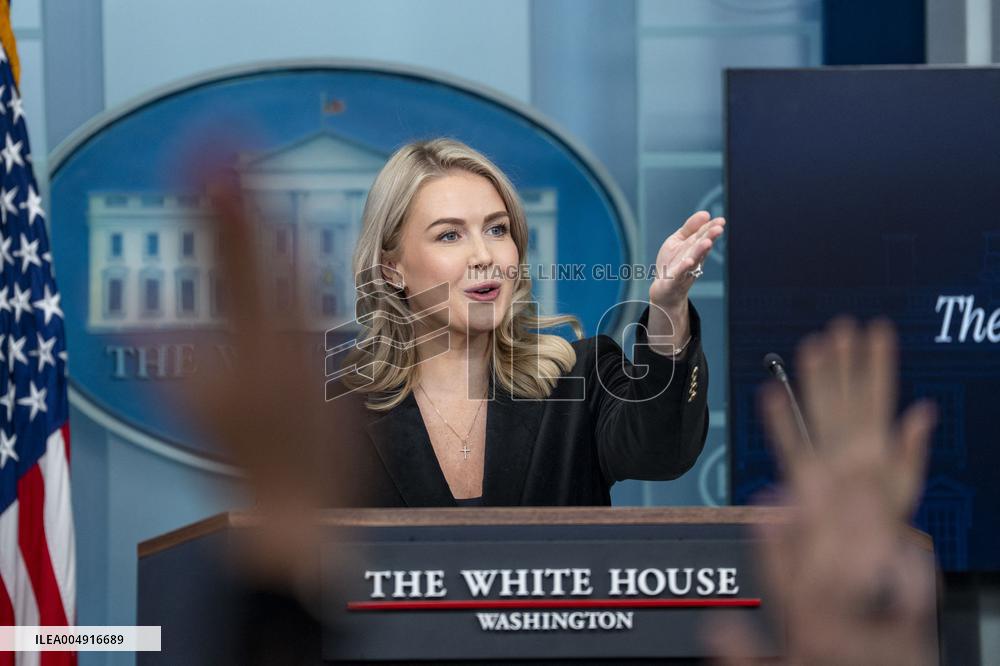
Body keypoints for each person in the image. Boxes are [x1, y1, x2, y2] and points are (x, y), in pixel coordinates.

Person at [328, 138, 726, 507]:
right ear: (392, 269)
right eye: (450, 236)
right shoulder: (334, 416)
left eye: (497, 229)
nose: (484, 256)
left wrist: (670, 306)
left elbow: (662, 453)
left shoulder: (579, 379)